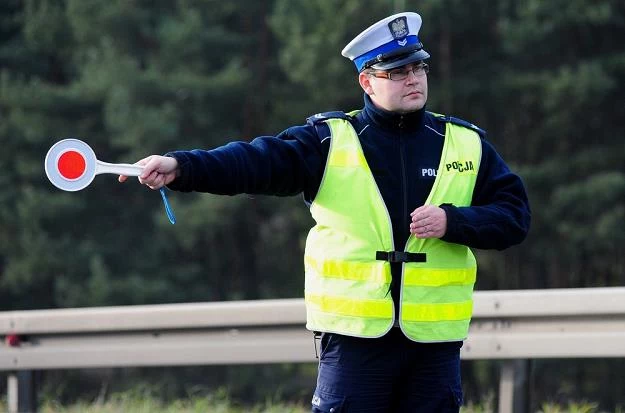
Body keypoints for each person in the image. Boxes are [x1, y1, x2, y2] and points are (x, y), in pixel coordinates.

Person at [119, 11, 530, 413]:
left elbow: (515, 217)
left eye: (419, 68)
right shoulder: (329, 140)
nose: (414, 78)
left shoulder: (466, 143)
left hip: (434, 349)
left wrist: (454, 221)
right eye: (398, 72)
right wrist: (183, 167)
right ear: (366, 81)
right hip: (355, 343)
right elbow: (254, 162)